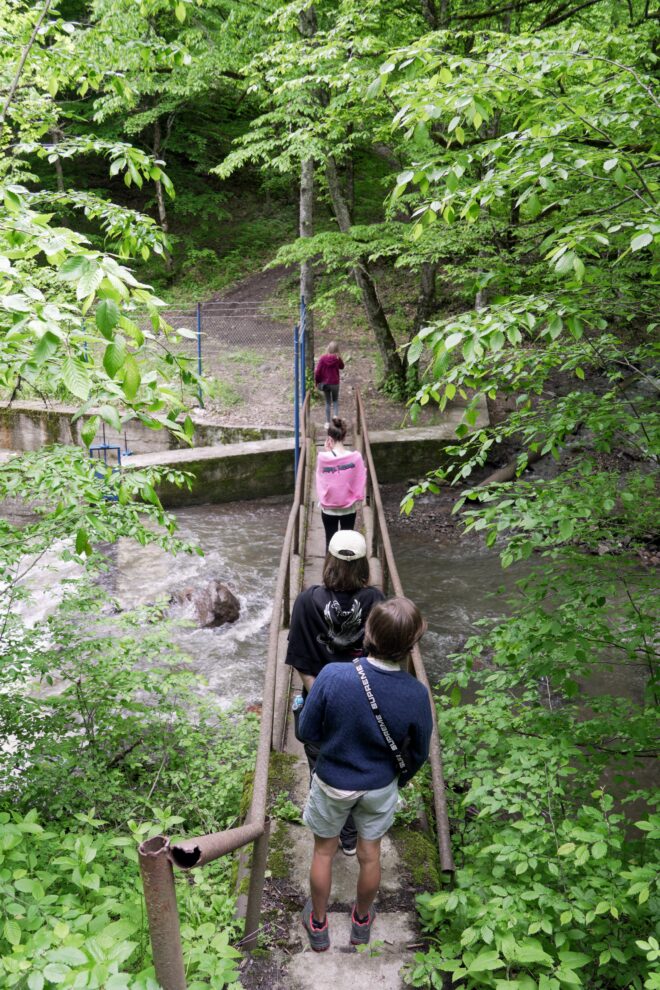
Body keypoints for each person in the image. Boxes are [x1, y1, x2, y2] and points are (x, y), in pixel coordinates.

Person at [297, 596, 433, 951]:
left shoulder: (333, 675)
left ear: (368, 631)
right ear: (411, 645)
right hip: (378, 785)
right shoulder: (416, 694)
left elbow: (306, 731)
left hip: (333, 781)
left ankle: (318, 924)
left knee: (323, 851)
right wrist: (397, 780)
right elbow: (419, 752)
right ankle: (360, 922)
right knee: (370, 854)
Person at [285, 529, 385, 855]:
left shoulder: (305, 601)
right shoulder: (377, 603)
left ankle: (329, 830)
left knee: (321, 764)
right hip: (366, 704)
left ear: (328, 560)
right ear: (364, 565)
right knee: (358, 761)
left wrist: (323, 698)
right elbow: (382, 656)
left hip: (319, 705)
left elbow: (301, 660)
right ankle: (351, 836)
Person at [315, 418, 366, 551]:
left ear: (329, 439)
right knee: (346, 545)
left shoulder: (323, 458)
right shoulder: (355, 457)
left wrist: (328, 452)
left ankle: (328, 565)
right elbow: (360, 478)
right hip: (349, 508)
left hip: (328, 508)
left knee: (329, 543)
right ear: (344, 436)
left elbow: (322, 479)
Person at [314, 341, 344, 425]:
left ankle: (327, 423)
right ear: (337, 349)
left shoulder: (322, 358)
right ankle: (335, 417)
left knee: (328, 402)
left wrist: (317, 382)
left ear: (328, 348)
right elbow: (342, 366)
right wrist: (339, 357)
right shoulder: (337, 358)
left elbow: (317, 372)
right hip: (335, 383)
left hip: (325, 384)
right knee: (335, 401)